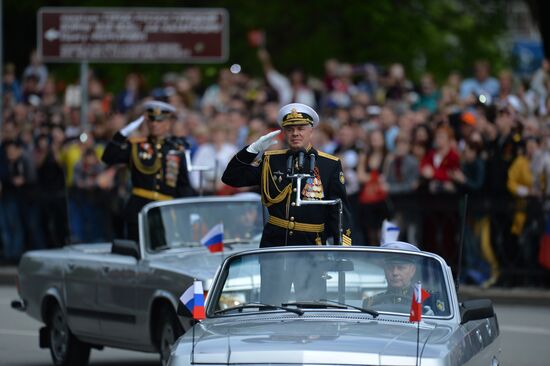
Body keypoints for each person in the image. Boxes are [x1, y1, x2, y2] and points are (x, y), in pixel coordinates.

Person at [222, 102, 353, 247]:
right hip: (275, 245)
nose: (295, 133)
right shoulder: (270, 161)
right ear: (284, 133)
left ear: (311, 131)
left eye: (301, 128)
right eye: (290, 129)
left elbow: (339, 212)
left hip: (311, 246)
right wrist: (253, 149)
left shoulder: (329, 164)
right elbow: (230, 177)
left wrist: (342, 250)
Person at [102, 100, 194, 242]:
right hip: (139, 210)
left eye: (159, 121)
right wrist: (124, 132)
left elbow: (183, 186)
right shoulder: (136, 147)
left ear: (168, 123)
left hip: (166, 213)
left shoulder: (175, 150)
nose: (154, 124)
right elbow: (108, 157)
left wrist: (188, 212)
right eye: (151, 120)